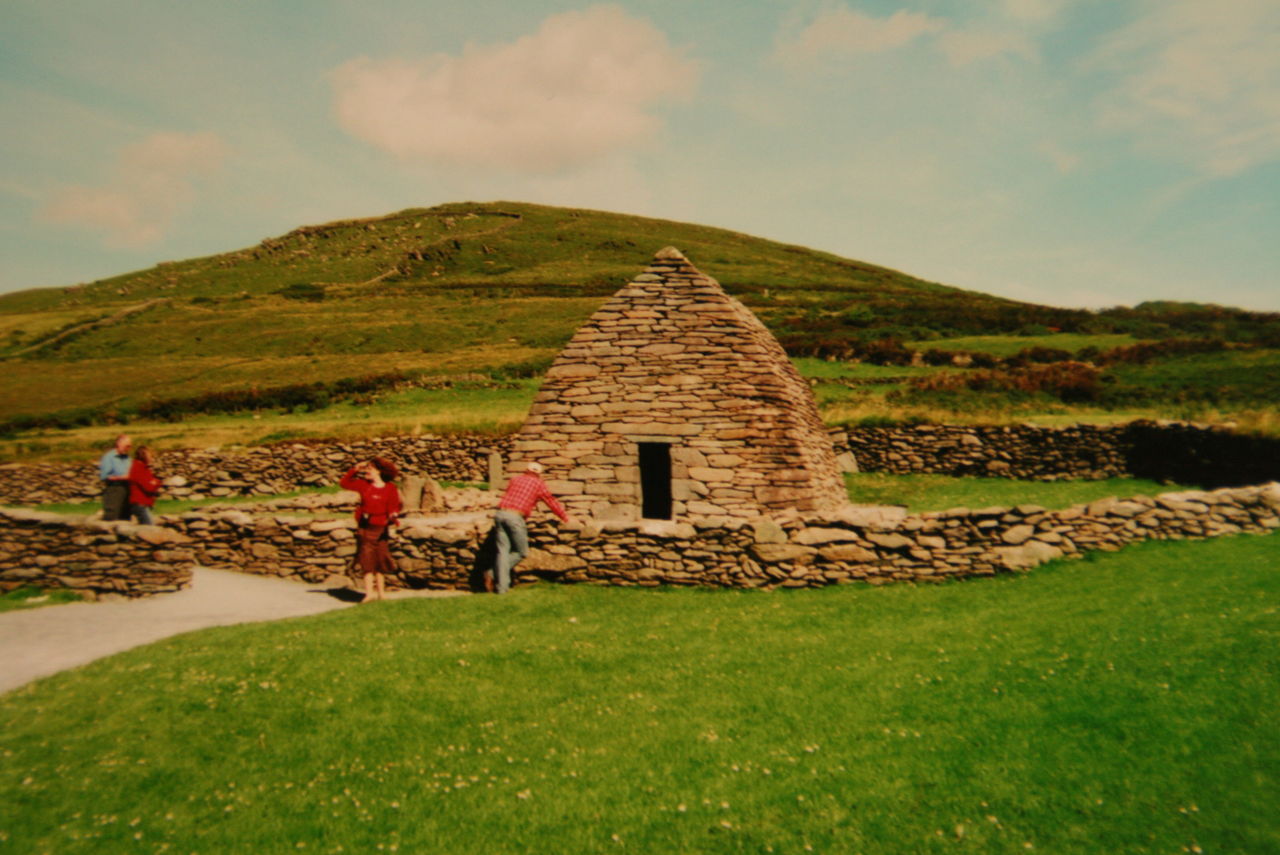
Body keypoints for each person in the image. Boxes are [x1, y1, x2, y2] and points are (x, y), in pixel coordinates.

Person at [487, 461, 576, 594]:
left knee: (502, 552)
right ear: (539, 474)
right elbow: (550, 501)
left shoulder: (515, 479)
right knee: (521, 552)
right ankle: (493, 575)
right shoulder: (538, 483)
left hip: (500, 514)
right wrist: (565, 517)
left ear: (526, 470)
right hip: (515, 517)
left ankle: (501, 588)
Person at [340, 457, 402, 603]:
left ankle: (381, 594)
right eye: (367, 468)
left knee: (380, 560)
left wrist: (393, 515)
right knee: (367, 561)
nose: (367, 471)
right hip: (366, 528)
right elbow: (344, 483)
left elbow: (394, 505)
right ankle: (369, 594)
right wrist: (355, 469)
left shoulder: (390, 488)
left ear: (379, 471)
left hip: (382, 528)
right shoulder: (364, 485)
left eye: (370, 469)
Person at [98, 434, 132, 521]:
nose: (128, 448)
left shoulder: (127, 458)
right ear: (118, 444)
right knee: (112, 515)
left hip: (127, 488)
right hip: (114, 488)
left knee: (125, 515)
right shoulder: (109, 457)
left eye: (130, 446)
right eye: (127, 446)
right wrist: (122, 477)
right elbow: (105, 476)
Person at [126, 445, 162, 524]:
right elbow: (149, 487)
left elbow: (154, 482)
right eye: (150, 456)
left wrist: (155, 482)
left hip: (143, 503)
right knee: (149, 528)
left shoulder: (143, 467)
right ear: (143, 456)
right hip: (139, 503)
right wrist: (155, 482)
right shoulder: (138, 468)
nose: (152, 458)